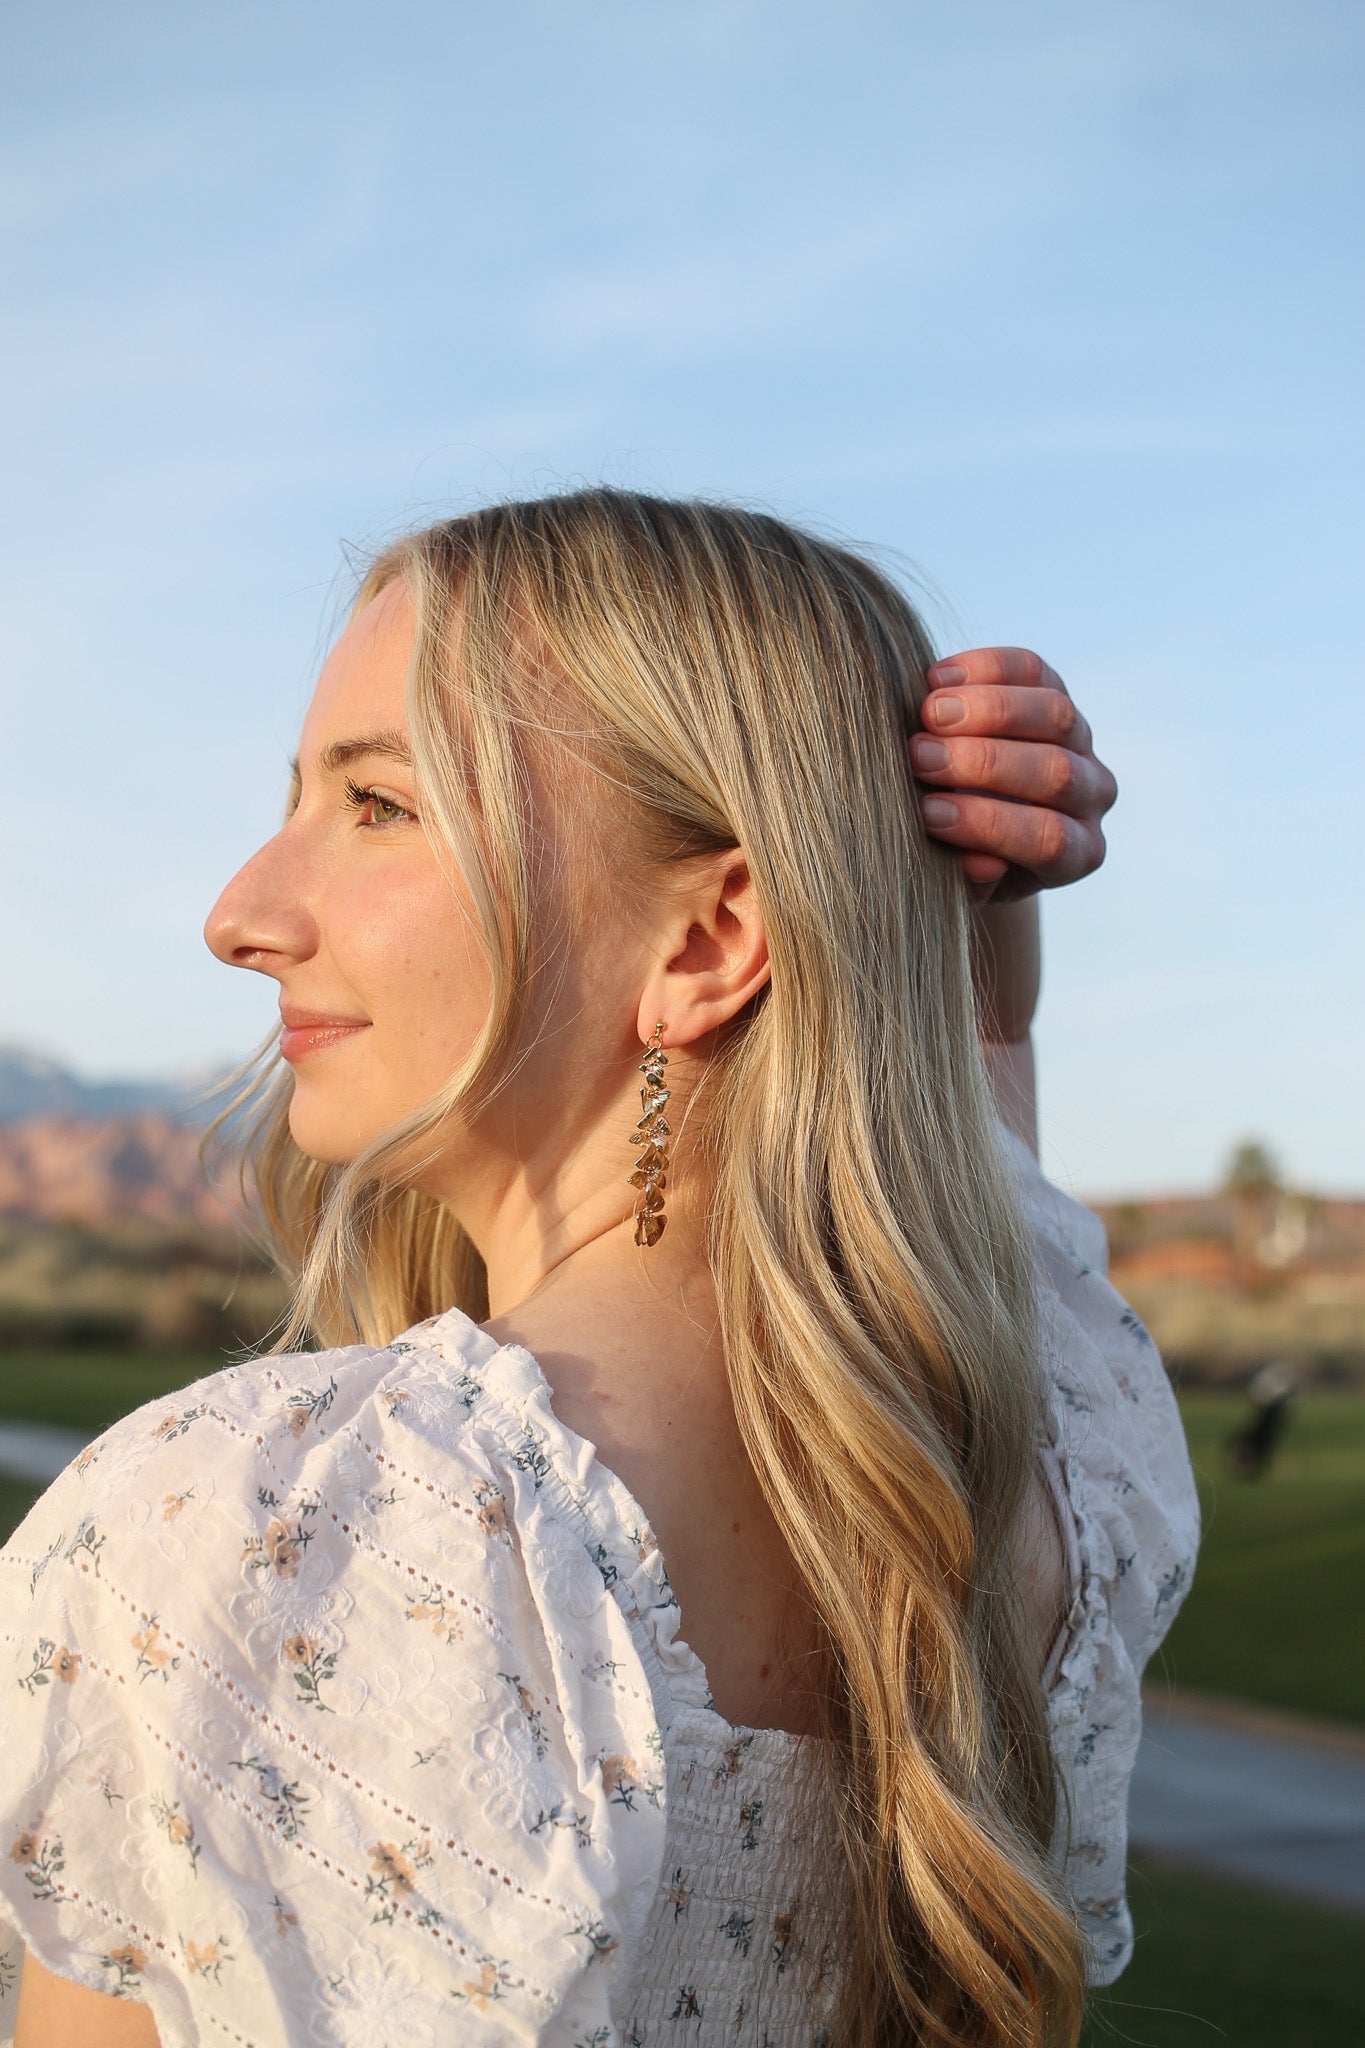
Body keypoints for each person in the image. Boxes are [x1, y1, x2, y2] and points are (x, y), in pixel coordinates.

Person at [0, 490, 1198, 2048]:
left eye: (376, 807)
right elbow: (975, 1110)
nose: (242, 916)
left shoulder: (270, 1528)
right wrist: (955, 918)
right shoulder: (1048, 1462)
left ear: (708, 940)